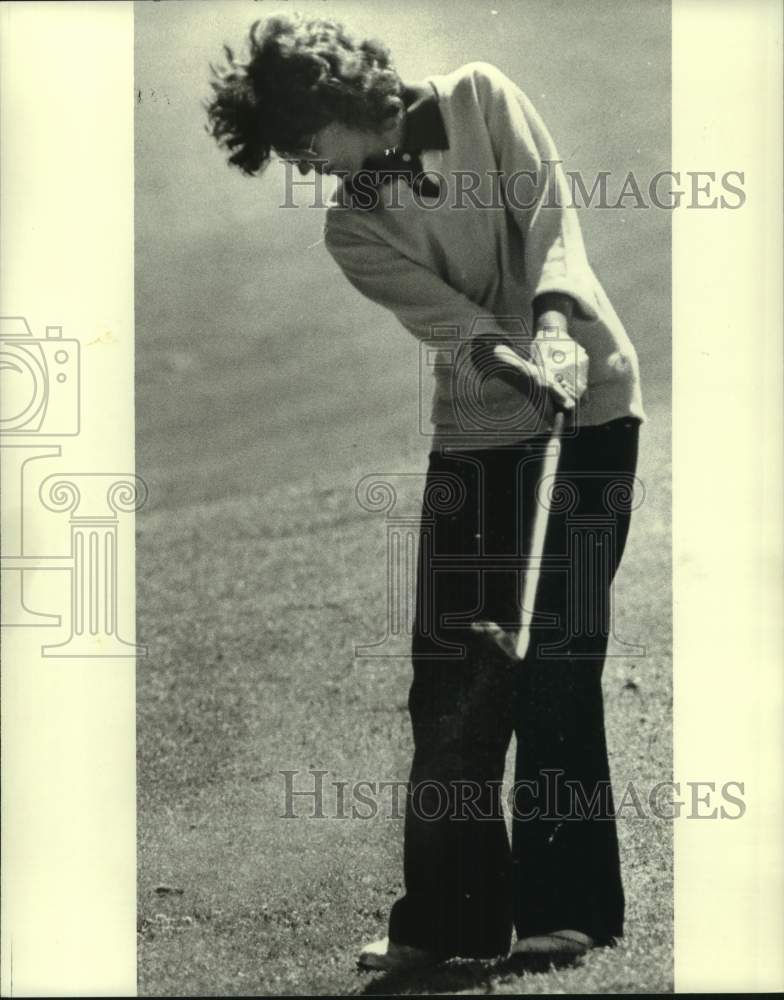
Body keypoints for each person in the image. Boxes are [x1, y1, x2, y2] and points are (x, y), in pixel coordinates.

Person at [206, 11, 645, 972]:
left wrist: (559, 332)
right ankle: (451, 920)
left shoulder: (483, 97)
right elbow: (455, 325)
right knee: (449, 674)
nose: (304, 161)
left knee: (557, 659)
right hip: (481, 429)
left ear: (333, 98)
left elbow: (551, 223)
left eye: (300, 138)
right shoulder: (351, 226)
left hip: (595, 405)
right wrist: (521, 362)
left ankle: (564, 912)